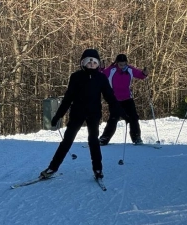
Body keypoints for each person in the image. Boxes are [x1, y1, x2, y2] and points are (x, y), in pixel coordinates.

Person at [40, 49, 119, 180]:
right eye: (89, 61)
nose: (92, 63)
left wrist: (118, 112)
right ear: (83, 63)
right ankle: (52, 168)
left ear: (98, 63)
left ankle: (98, 169)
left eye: (94, 61)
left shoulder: (101, 78)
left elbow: (110, 97)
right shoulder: (76, 77)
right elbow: (68, 98)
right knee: (67, 140)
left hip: (94, 114)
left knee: (93, 140)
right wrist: (58, 115)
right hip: (77, 113)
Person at [99, 54, 148, 146]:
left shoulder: (129, 69)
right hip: (115, 99)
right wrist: (101, 68)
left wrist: (144, 73)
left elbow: (141, 75)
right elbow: (101, 75)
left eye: (124, 64)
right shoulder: (112, 70)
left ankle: (136, 138)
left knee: (133, 118)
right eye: (120, 64)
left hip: (127, 98)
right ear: (117, 63)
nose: (122, 66)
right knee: (113, 119)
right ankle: (104, 139)